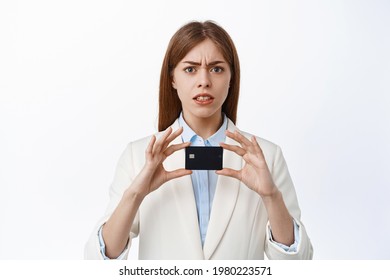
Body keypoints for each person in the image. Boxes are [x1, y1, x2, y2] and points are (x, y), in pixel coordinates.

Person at [85, 20, 313, 260]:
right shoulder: (138, 155)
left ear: (231, 78)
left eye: (216, 69)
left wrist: (271, 196)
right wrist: (135, 195)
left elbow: (298, 262)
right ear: (172, 78)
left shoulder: (266, 156)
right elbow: (99, 261)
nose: (204, 81)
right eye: (190, 69)